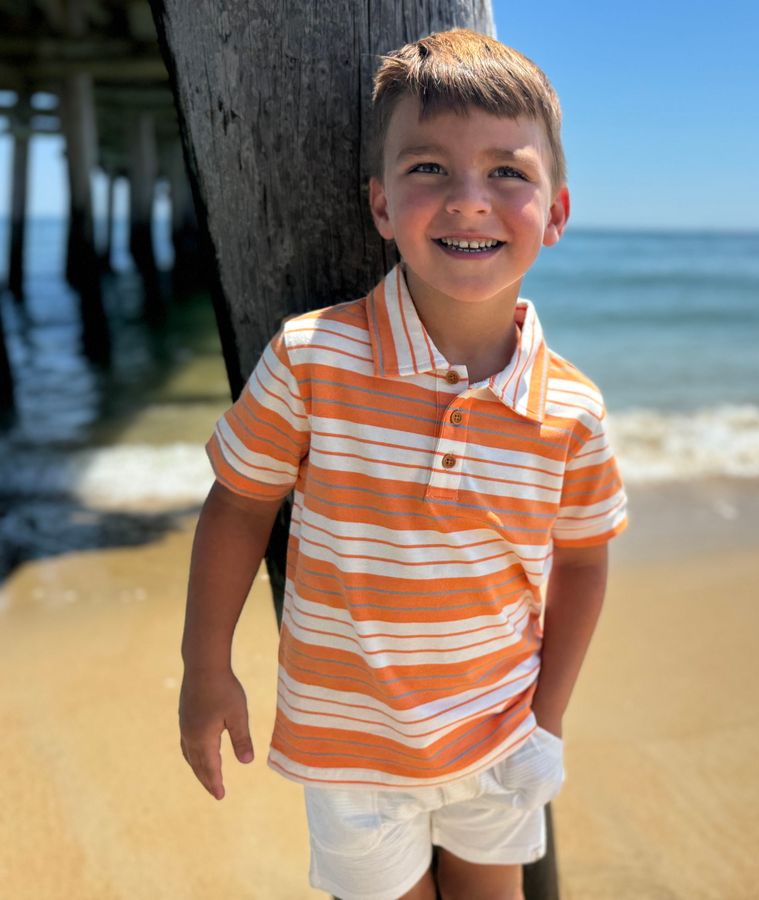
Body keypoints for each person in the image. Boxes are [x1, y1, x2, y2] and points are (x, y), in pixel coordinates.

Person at [178, 28, 629, 900]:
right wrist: (205, 665)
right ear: (381, 206)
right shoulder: (314, 359)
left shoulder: (571, 408)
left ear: (557, 212)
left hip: (501, 736)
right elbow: (238, 505)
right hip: (352, 752)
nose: (469, 199)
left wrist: (548, 720)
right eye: (429, 169)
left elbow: (582, 559)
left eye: (509, 172)